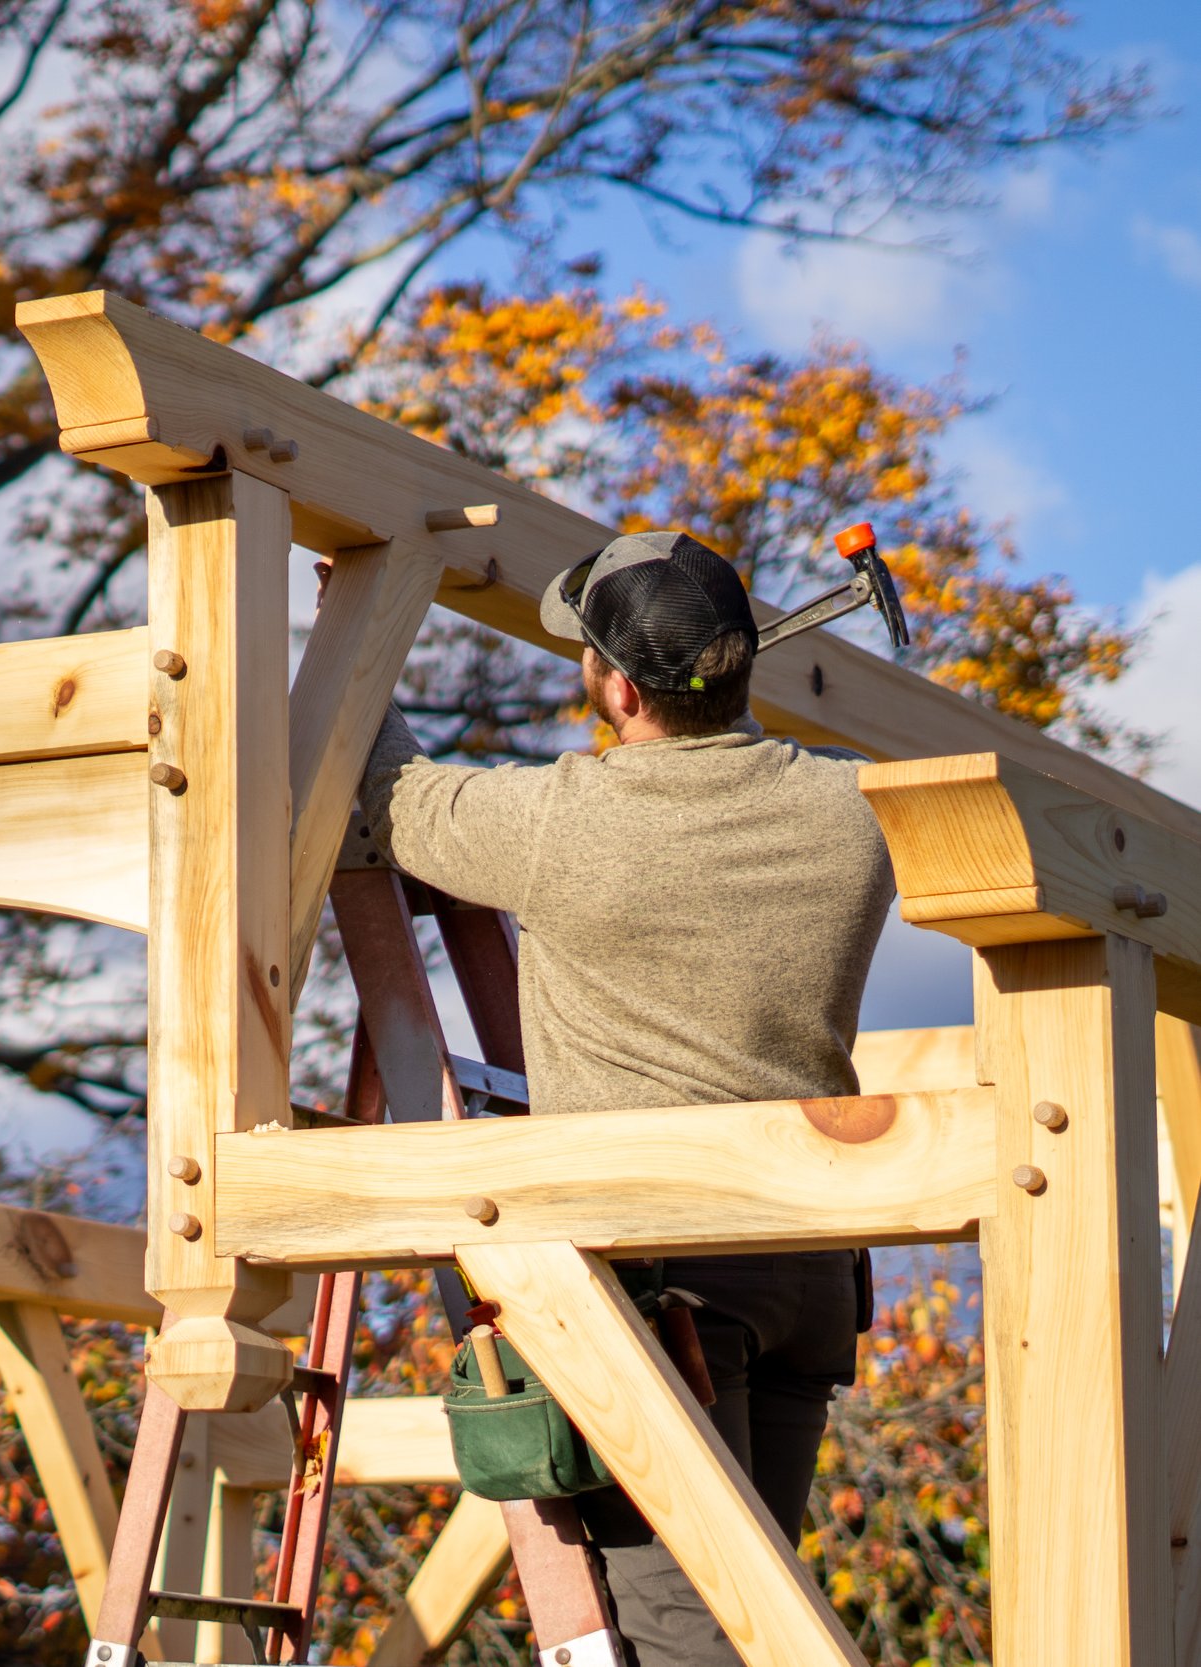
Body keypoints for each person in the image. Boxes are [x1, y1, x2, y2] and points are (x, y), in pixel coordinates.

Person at [358, 530, 894, 1667]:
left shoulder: (565, 821)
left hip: (670, 1278)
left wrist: (348, 618)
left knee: (684, 1633)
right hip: (810, 1264)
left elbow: (392, 792)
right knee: (763, 1616)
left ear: (614, 684)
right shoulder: (855, 813)